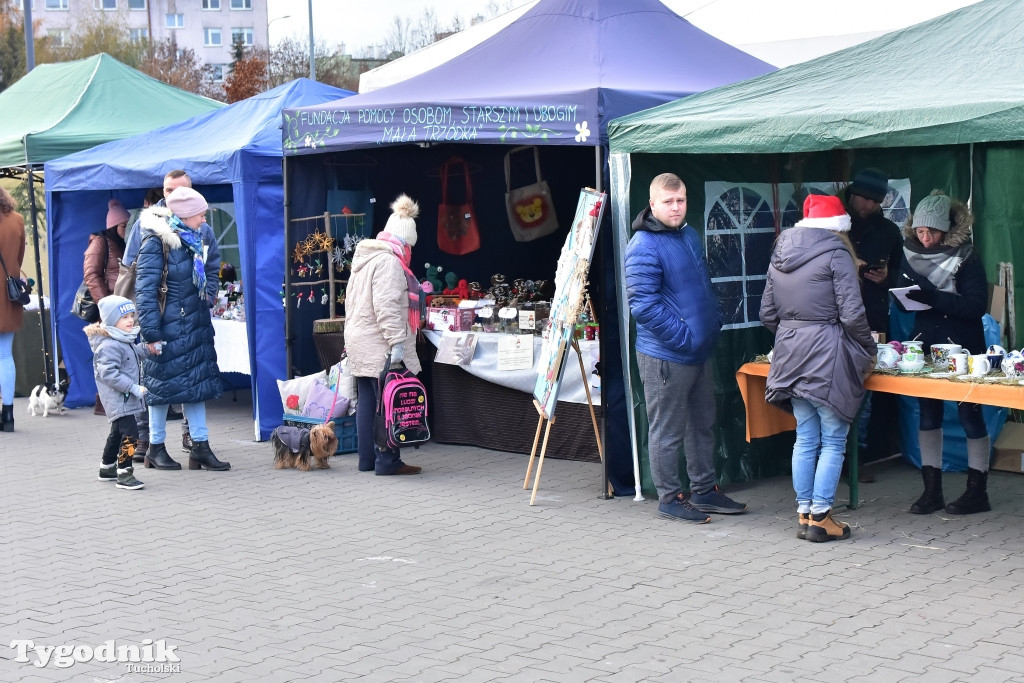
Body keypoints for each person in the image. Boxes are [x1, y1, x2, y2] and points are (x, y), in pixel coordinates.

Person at [624, 173, 745, 524]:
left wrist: (711, 323)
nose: (676, 207)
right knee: (667, 430)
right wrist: (684, 337)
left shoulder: (688, 235)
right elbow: (643, 306)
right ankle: (669, 498)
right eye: (668, 202)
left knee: (702, 424)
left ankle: (704, 490)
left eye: (680, 201)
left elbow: (701, 285)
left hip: (697, 351)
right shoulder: (643, 245)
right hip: (666, 355)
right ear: (652, 205)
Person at [760, 195, 875, 542]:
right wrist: (868, 348)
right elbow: (852, 314)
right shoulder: (837, 254)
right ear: (839, 227)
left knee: (806, 437)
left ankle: (805, 512)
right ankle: (822, 517)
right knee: (833, 439)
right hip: (828, 354)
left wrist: (794, 331)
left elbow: (767, 314)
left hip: (789, 354)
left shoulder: (780, 252)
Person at [899, 190, 990, 515]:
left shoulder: (967, 256)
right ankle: (931, 492)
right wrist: (899, 293)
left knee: (969, 415)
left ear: (947, 229)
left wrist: (932, 297)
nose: (925, 239)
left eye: (932, 232)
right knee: (928, 416)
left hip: (964, 349)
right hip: (925, 345)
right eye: (920, 232)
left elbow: (976, 305)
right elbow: (906, 299)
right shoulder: (909, 252)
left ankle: (978, 492)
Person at [125, 171, 220, 449]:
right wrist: (148, 328)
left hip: (192, 319)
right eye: (168, 190)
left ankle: (197, 443)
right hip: (166, 321)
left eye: (180, 190)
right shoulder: (152, 234)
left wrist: (208, 297)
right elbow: (139, 280)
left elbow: (211, 266)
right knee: (159, 384)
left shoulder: (200, 231)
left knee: (194, 383)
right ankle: (151, 444)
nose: (172, 196)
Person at [345, 194, 423, 476]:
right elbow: (388, 307)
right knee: (389, 401)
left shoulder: (365, 259)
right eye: (409, 246)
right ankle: (388, 461)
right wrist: (397, 344)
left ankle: (367, 460)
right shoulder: (390, 263)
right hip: (379, 343)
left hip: (361, 339)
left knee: (368, 400)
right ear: (403, 243)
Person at [843, 169, 904, 473]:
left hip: (872, 316)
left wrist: (885, 279)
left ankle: (859, 457)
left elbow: (902, 277)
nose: (864, 204)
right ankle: (836, 456)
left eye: (871, 200)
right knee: (837, 389)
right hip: (835, 317)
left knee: (865, 390)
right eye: (860, 197)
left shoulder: (890, 233)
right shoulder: (836, 225)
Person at [86, 296, 161, 490]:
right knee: (131, 435)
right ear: (111, 321)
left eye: (131, 316)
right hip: (118, 399)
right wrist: (133, 387)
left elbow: (131, 354)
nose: (130, 320)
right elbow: (109, 374)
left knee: (117, 434)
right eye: (124, 317)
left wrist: (146, 349)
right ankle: (124, 473)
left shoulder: (121, 339)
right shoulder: (108, 345)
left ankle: (106, 468)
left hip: (123, 398)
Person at [84, 199, 131, 417]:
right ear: (113, 226)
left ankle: (112, 402)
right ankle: (103, 403)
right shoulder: (101, 242)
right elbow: (91, 275)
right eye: (123, 225)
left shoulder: (124, 243)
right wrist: (105, 306)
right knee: (109, 359)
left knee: (120, 357)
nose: (126, 229)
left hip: (122, 309)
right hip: (110, 311)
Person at [0, 185, 26, 433]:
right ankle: (8, 414)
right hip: (7, 296)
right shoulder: (16, 220)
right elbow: (18, 259)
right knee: (5, 355)